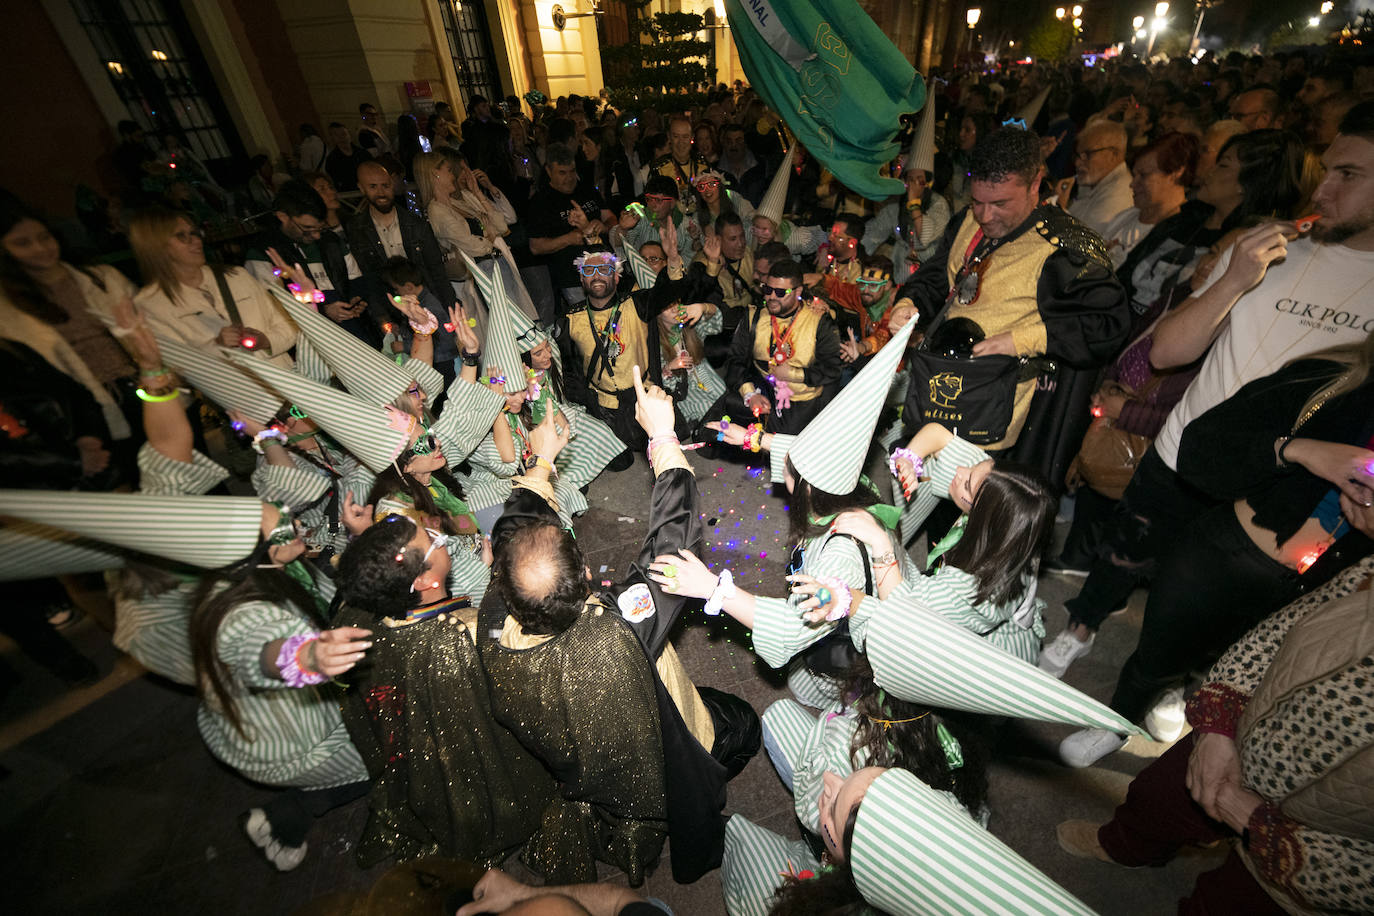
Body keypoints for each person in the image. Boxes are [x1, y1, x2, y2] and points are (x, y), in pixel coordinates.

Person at [1052, 103, 1374, 701]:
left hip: (1267, 483)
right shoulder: (1267, 249)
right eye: (1326, 170)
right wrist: (1231, 279)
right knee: (1122, 557)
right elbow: (1168, 352)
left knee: (1203, 608)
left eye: (1348, 176)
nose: (1324, 189)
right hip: (1179, 452)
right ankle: (1079, 629)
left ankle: (1171, 687)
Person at [477, 368, 759, 885]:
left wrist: (540, 462)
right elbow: (673, 545)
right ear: (585, 573)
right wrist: (663, 435)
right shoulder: (620, 624)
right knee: (740, 723)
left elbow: (512, 531)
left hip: (582, 762)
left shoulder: (493, 620)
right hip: (656, 754)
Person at [1059, 332, 1374, 767]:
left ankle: (1173, 683)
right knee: (1156, 653)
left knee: (1226, 676)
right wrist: (1297, 450)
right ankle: (1119, 719)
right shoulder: (1329, 380)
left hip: (1312, 596)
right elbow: (1202, 447)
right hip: (1226, 556)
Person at [1056, 558, 1374, 915]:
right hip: (1243, 735)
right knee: (1156, 798)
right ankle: (1124, 846)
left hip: (1316, 845)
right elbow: (1280, 631)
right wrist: (1217, 726)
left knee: (1220, 905)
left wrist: (1268, 834)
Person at [892, 126, 1129, 481]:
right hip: (940, 389)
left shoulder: (1065, 247)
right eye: (977, 201)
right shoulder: (967, 220)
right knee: (921, 489)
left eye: (1001, 203)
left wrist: (1023, 340)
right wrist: (909, 300)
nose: (985, 216)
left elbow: (1109, 323)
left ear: (1035, 185)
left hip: (997, 414)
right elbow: (940, 271)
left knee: (969, 514)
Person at [332, 508, 552, 867]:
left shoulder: (354, 620)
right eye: (432, 540)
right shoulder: (465, 635)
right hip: (485, 764)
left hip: (416, 759)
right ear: (422, 580)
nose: (441, 536)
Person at [0, 201, 140, 462]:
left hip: (141, 386)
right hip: (89, 411)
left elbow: (149, 330)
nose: (40, 248)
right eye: (23, 243)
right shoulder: (9, 310)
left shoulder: (101, 278)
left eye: (45, 237)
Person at [560, 250, 699, 450]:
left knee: (667, 447)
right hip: (605, 404)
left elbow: (668, 291)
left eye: (605, 269)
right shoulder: (570, 319)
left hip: (644, 395)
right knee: (620, 461)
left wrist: (674, 261)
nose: (597, 275)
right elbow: (568, 368)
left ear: (616, 277)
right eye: (589, 270)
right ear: (582, 278)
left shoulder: (636, 303)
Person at [129, 207, 297, 365]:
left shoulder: (236, 276)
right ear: (156, 247)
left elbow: (289, 325)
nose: (196, 241)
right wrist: (218, 347)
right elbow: (177, 366)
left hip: (289, 386)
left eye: (195, 233)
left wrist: (266, 341)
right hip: (239, 394)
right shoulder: (151, 304)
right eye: (182, 236)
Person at [711, 257, 841, 436]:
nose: (772, 296)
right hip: (764, 389)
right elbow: (735, 361)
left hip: (803, 398)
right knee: (729, 409)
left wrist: (794, 374)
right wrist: (751, 394)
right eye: (768, 289)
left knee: (788, 450)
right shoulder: (754, 317)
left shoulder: (819, 320)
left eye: (781, 292)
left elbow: (832, 369)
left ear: (798, 292)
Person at [244, 180, 374, 346]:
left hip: (353, 330)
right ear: (283, 217)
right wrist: (324, 311)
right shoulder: (263, 253)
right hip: (308, 339)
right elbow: (271, 307)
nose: (316, 236)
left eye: (319, 228)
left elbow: (356, 280)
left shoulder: (330, 242)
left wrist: (357, 302)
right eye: (307, 229)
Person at [346, 160, 457, 326]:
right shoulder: (357, 229)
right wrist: (382, 318)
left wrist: (451, 311)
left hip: (426, 304)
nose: (381, 192)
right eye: (373, 187)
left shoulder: (416, 224)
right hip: (391, 309)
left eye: (385, 185)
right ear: (361, 188)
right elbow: (369, 280)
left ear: (393, 184)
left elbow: (437, 271)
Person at [524, 144, 613, 313]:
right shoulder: (540, 202)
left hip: (606, 268)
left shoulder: (586, 188)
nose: (569, 178)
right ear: (549, 171)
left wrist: (604, 226)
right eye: (562, 173)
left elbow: (610, 218)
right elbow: (535, 247)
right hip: (572, 279)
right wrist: (569, 239)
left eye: (572, 171)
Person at [1099, 132, 1198, 267]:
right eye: (1134, 175)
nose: (1132, 184)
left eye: (1144, 175)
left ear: (1176, 173)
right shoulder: (1125, 217)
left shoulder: (1179, 235)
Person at [1066, 120, 1132, 236]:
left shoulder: (1120, 194)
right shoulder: (1096, 178)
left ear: (1113, 155)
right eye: (1078, 155)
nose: (1077, 163)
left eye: (1087, 154)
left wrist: (1060, 209)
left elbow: (1082, 240)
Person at [616, 175, 698, 266]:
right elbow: (621, 248)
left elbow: (688, 263)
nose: (652, 205)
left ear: (672, 202)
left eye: (658, 200)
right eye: (649, 199)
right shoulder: (640, 218)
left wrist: (695, 242)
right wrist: (623, 229)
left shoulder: (687, 225)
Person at [649, 114, 709, 205]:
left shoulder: (703, 165)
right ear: (669, 137)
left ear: (692, 137)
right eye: (676, 136)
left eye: (685, 137)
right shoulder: (659, 168)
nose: (681, 142)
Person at [323, 122, 371, 193]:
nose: (341, 138)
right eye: (336, 135)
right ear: (332, 138)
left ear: (349, 135)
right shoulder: (332, 160)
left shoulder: (363, 154)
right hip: (348, 196)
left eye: (343, 134)